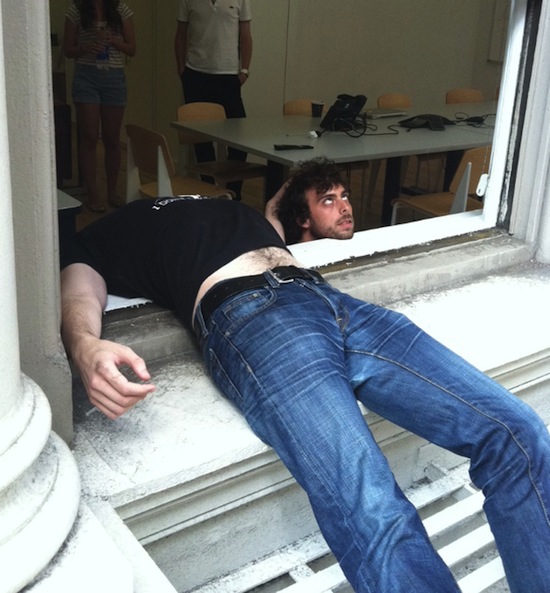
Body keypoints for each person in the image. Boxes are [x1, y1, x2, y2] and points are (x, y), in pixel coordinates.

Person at [60, 162, 550, 592]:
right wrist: (84, 344)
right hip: (252, 315)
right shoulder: (118, 226)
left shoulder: (241, 212)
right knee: (371, 506)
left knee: (517, 433)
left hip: (334, 302)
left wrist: (298, 186)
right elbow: (79, 283)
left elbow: (281, 208)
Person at [63, 0, 136, 212]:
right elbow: (67, 49)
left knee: (112, 138)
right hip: (86, 77)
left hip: (113, 77)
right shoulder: (76, 10)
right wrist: (84, 48)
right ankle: (93, 193)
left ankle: (112, 190)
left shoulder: (121, 9)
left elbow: (132, 49)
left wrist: (113, 41)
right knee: (89, 136)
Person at [174, 0, 252, 199]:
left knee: (239, 138)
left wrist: (244, 71)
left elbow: (245, 35)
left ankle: (233, 192)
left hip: (228, 76)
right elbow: (181, 34)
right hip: (196, 74)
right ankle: (209, 192)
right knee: (201, 139)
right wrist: (182, 70)